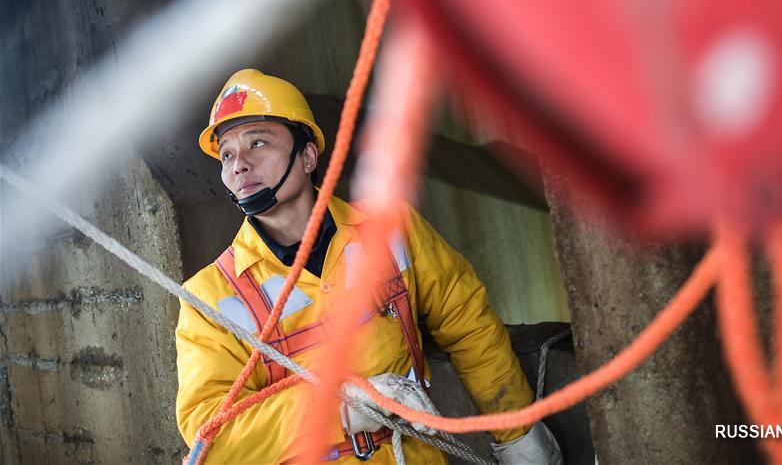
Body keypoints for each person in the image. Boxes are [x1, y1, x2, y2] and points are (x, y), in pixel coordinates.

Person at [175, 69, 562, 464]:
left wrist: (516, 431)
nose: (239, 164)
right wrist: (340, 407)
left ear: (307, 156)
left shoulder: (392, 230)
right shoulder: (210, 298)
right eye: (227, 154)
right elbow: (210, 435)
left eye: (258, 143)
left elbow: (467, 323)